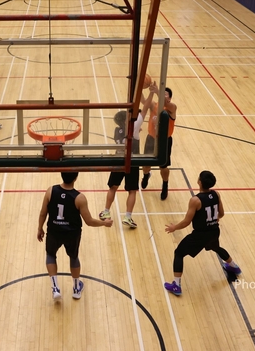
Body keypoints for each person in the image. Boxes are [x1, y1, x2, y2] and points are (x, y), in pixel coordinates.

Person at [163, 170, 241, 296]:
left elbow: (186, 222)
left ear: (199, 182)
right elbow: (221, 214)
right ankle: (233, 266)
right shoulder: (216, 194)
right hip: (214, 231)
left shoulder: (195, 200)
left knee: (179, 253)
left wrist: (174, 227)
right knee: (216, 247)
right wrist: (212, 220)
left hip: (199, 235)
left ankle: (176, 285)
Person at [37, 172, 113, 301]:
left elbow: (43, 213)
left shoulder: (50, 191)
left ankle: (55, 288)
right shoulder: (79, 198)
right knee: (73, 257)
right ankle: (76, 289)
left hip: (54, 230)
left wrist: (40, 228)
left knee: (50, 255)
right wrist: (104, 223)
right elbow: (89, 221)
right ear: (76, 178)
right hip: (72, 233)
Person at [99, 86, 156, 228]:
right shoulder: (134, 126)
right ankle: (128, 217)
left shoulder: (116, 130)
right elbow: (145, 108)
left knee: (113, 187)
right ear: (126, 120)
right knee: (132, 191)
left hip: (118, 160)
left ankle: (106, 212)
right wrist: (151, 93)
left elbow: (128, 134)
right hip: (132, 161)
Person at [141, 86, 177, 200]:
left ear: (169, 98)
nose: (163, 95)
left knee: (163, 167)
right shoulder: (154, 105)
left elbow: (164, 102)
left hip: (164, 141)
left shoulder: (172, 108)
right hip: (151, 138)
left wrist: (157, 91)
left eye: (165, 94)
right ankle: (146, 175)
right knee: (146, 164)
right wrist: (139, 86)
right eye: (162, 93)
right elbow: (143, 101)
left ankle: (165, 185)